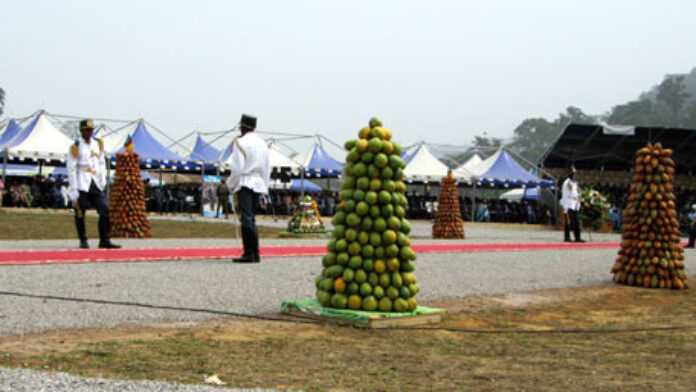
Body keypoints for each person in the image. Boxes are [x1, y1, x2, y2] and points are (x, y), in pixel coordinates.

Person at [67, 119, 120, 249]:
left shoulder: (98, 143)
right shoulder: (76, 146)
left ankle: (104, 239)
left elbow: (102, 162)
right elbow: (71, 169)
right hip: (81, 183)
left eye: (91, 130)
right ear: (81, 131)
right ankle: (83, 239)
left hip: (95, 183)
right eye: (87, 130)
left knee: (105, 210)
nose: (89, 133)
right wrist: (73, 190)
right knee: (80, 211)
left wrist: (102, 179)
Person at [226, 114, 270, 263]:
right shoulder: (263, 143)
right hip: (258, 182)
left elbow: (237, 168)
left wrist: (230, 184)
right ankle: (255, 252)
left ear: (243, 127)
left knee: (246, 217)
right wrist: (265, 187)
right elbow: (266, 168)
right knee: (251, 218)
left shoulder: (240, 142)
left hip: (245, 181)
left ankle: (249, 253)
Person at [560, 167, 584, 242]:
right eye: (573, 173)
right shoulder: (567, 182)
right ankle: (567, 237)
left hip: (575, 204)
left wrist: (580, 195)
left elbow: (578, 191)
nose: (574, 175)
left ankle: (577, 237)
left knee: (576, 221)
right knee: (570, 222)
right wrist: (577, 196)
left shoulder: (574, 182)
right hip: (569, 204)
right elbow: (571, 193)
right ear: (569, 173)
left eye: (575, 173)